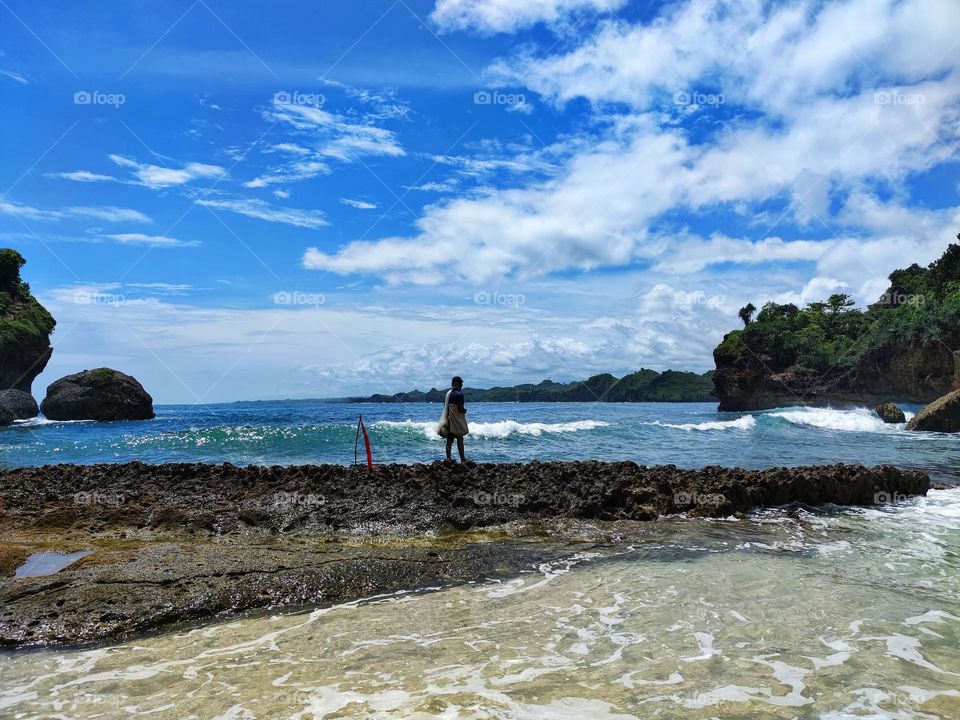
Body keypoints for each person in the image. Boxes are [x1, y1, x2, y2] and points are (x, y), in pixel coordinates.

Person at [437, 375, 471, 464]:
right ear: (459, 384)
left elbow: (446, 406)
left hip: (449, 419)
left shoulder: (449, 394)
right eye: (461, 383)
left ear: (453, 384)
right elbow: (460, 409)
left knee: (449, 440)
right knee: (460, 438)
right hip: (456, 420)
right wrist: (464, 410)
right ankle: (463, 459)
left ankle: (448, 459)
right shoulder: (459, 394)